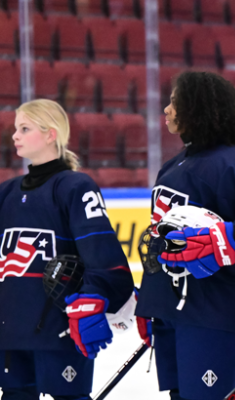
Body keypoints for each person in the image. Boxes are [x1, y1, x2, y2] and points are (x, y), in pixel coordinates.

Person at [134, 71, 235, 400]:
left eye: (175, 102)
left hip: (212, 310)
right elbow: (161, 240)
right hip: (171, 307)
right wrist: (150, 300)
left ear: (196, 107)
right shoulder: (172, 166)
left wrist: (224, 239)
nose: (167, 110)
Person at [0, 99, 134, 400]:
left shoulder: (74, 187)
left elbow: (102, 254)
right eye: (15, 129)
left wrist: (93, 300)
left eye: (25, 128)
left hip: (59, 330)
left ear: (51, 134)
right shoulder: (6, 192)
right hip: (10, 330)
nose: (15, 136)